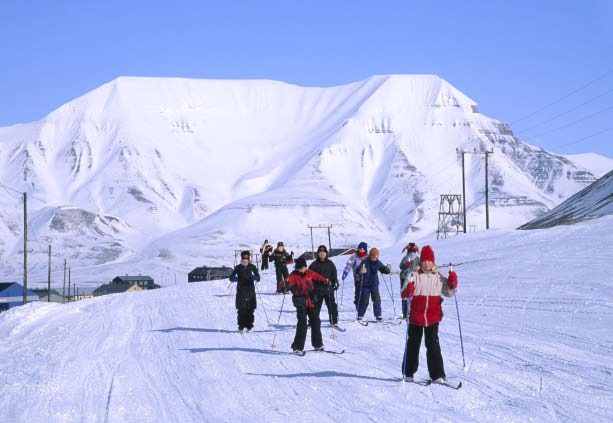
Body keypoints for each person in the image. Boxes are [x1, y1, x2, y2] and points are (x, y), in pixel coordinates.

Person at [400, 245, 458, 383]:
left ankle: (437, 375)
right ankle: (408, 373)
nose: (427, 263)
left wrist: (452, 283)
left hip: (433, 317)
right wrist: (408, 288)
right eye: (424, 260)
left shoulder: (438, 277)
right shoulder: (414, 275)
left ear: (433, 262)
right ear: (421, 262)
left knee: (433, 345)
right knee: (413, 344)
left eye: (429, 260)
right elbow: (403, 294)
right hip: (415, 317)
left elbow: (450, 293)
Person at [287, 257, 330, 353]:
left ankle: (317, 345)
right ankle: (297, 347)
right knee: (302, 324)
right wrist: (285, 285)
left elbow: (317, 276)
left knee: (316, 322)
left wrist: (325, 280)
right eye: (300, 268)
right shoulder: (293, 275)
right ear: (296, 268)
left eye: (304, 267)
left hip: (311, 301)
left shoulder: (309, 273)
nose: (302, 270)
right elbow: (286, 283)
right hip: (300, 302)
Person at [356, 247, 391, 322]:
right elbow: (357, 270)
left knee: (376, 300)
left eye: (376, 257)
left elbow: (382, 269)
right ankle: (360, 315)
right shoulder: (365, 261)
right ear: (370, 255)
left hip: (374, 284)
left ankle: (378, 316)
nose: (374, 258)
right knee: (364, 301)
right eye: (373, 257)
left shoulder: (377, 262)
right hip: (365, 285)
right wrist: (361, 270)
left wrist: (387, 270)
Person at [229, 250, 261, 333]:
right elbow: (231, 277)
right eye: (243, 259)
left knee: (250, 309)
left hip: (250, 290)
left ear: (249, 259)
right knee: (241, 309)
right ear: (241, 259)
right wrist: (234, 279)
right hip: (241, 290)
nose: (245, 261)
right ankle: (241, 326)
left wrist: (255, 277)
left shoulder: (252, 267)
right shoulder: (238, 267)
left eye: (247, 259)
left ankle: (249, 326)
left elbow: (258, 277)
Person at [308, 245, 339, 326]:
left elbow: (334, 275)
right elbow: (308, 276)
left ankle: (334, 322)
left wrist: (334, 282)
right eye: (320, 252)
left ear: (326, 253)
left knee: (332, 306)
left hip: (328, 289)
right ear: (318, 254)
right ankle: (312, 322)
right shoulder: (314, 265)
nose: (322, 254)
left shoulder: (330, 264)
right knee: (315, 308)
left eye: (323, 252)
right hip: (317, 290)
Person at [341, 241, 369, 308]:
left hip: (367, 279)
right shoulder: (354, 257)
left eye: (363, 249)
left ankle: (364, 305)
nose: (361, 250)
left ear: (365, 250)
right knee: (358, 293)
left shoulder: (368, 257)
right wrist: (346, 272)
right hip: (358, 278)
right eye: (360, 249)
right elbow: (349, 264)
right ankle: (357, 304)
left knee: (365, 294)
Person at [399, 243, 420, 320]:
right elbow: (401, 266)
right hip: (404, 278)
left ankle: (413, 312)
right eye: (411, 251)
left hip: (414, 279)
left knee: (414, 296)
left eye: (414, 251)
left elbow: (422, 266)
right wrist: (406, 265)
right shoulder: (405, 258)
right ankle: (405, 314)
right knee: (405, 295)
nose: (412, 253)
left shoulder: (417, 259)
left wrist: (419, 267)